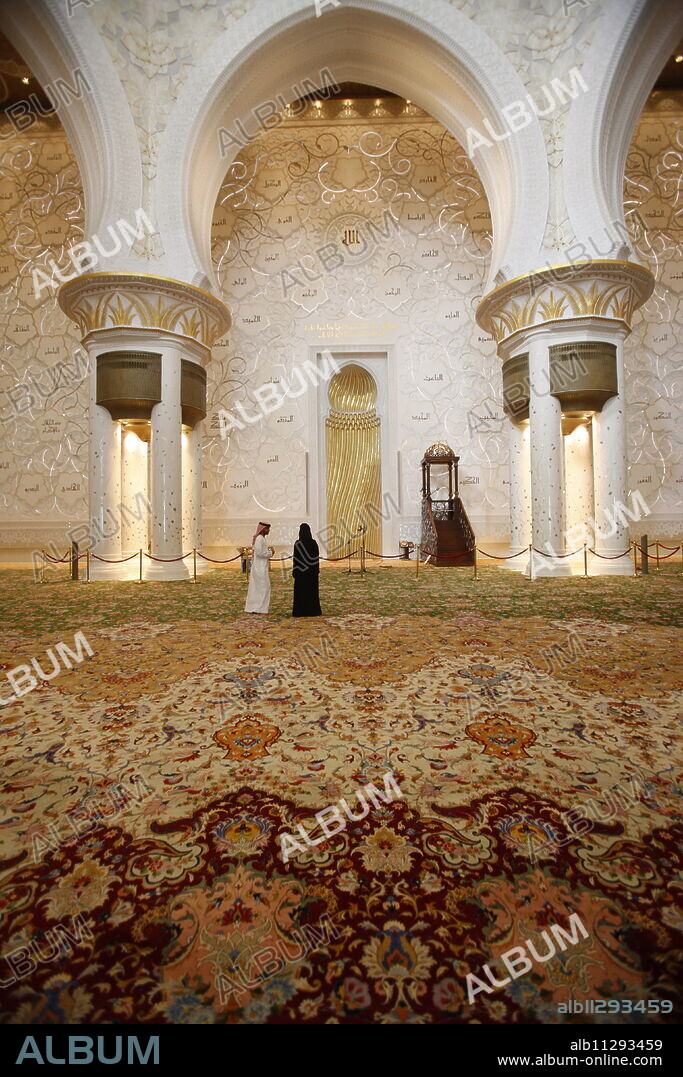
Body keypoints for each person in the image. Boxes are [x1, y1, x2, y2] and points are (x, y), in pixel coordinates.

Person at [292, 522, 322, 617]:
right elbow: (316, 559)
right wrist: (316, 571)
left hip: (300, 574)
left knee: (300, 593)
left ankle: (300, 612)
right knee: (311, 593)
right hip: (311, 574)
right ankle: (313, 611)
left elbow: (296, 559)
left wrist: (295, 572)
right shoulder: (313, 543)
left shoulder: (297, 543)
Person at [245, 522, 273, 614]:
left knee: (261, 587)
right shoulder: (259, 539)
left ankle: (259, 607)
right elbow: (260, 553)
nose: (269, 530)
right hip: (259, 567)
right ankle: (258, 608)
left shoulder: (261, 539)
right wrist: (271, 553)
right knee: (263, 587)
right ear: (263, 529)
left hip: (261, 566)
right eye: (267, 529)